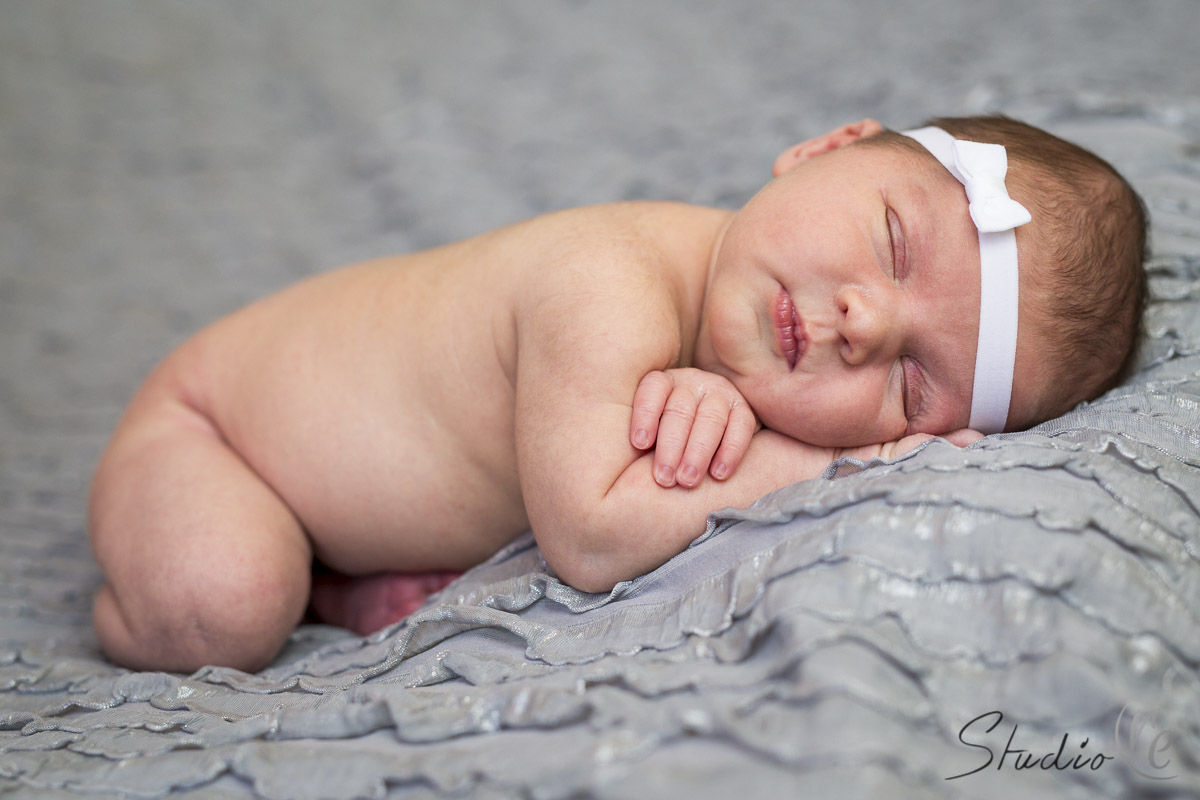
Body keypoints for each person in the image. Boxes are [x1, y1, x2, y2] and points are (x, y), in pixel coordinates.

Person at [87, 115, 1147, 673]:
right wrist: (838, 460)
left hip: (329, 482)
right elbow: (593, 531)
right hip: (213, 428)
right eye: (894, 241)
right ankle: (128, 604)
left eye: (914, 386)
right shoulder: (609, 276)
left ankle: (335, 574)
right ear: (824, 149)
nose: (865, 321)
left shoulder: (727, 352)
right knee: (222, 602)